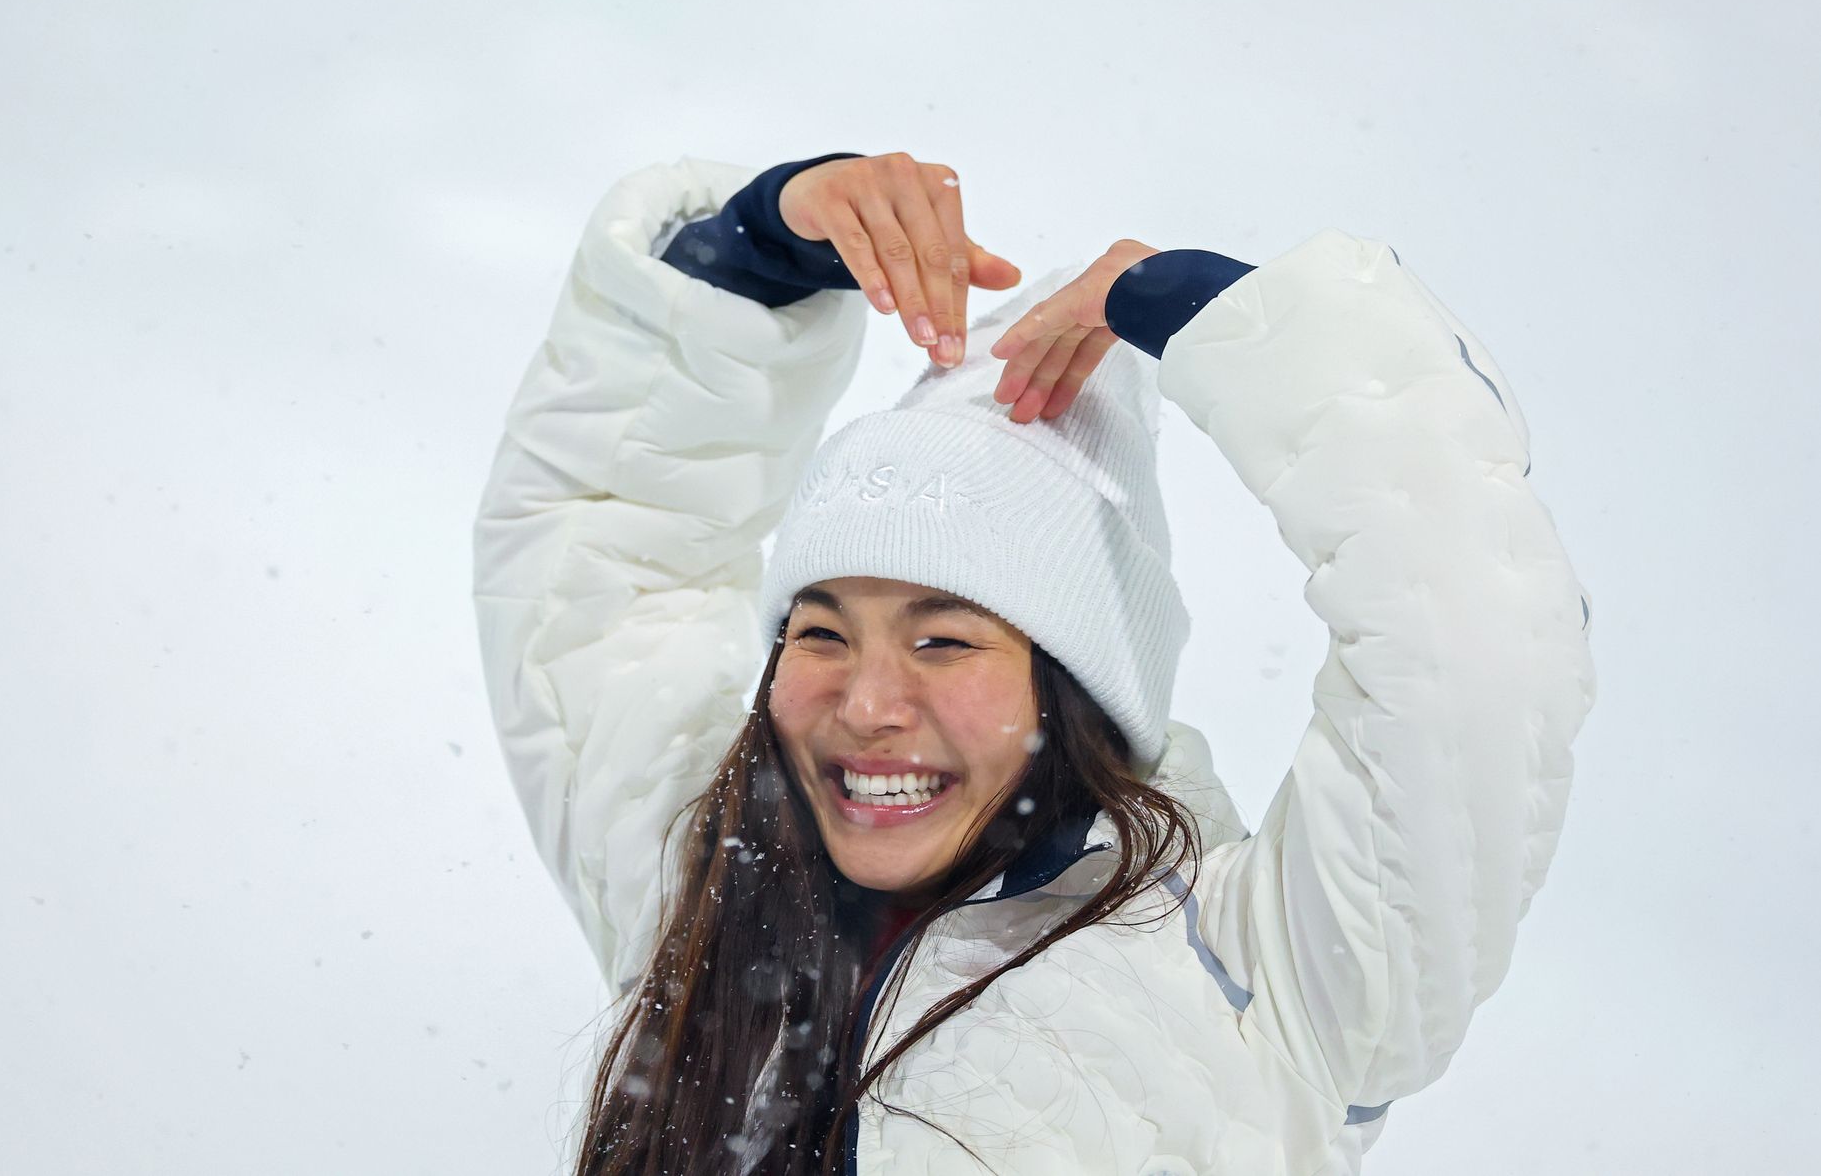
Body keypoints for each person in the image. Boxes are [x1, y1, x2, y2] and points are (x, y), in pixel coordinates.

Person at [471, 150, 1597, 1176]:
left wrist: (1237, 324)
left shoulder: (1269, 971)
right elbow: (599, 547)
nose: (864, 705)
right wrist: (750, 253)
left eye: (942, 639)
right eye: (819, 631)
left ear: (1071, 688)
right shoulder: (709, 868)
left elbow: (1467, 650)